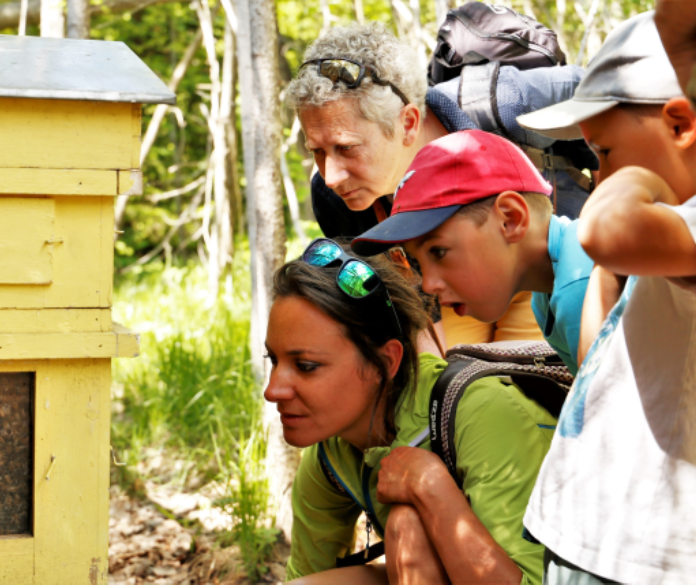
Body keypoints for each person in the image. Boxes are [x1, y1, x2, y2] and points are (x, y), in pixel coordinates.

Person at [512, 12, 696, 583]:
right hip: (588, 530)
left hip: (639, 555)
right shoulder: (666, 236)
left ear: (681, 125)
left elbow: (603, 231)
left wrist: (638, 183)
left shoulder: (676, 223)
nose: (597, 176)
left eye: (606, 153)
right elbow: (598, 361)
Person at [285, 21, 596, 348]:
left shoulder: (502, 101)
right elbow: (409, 305)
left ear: (408, 123)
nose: (331, 176)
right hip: (449, 286)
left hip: (547, 265)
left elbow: (629, 97)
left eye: (346, 148)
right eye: (317, 151)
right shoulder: (334, 197)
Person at [265, 238, 557, 584]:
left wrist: (432, 488)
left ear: (385, 362)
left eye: (307, 365)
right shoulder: (332, 454)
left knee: (409, 526)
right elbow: (309, 572)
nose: (273, 390)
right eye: (274, 360)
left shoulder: (484, 413)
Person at [351, 130, 592, 375]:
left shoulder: (580, 290)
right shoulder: (549, 293)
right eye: (416, 261)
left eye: (439, 251)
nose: (428, 285)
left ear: (510, 219)